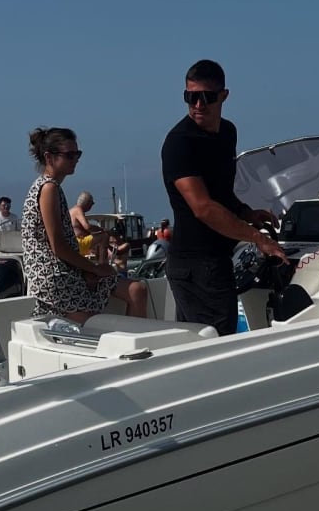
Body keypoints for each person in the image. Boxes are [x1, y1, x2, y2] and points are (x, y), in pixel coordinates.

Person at [161, 59, 287, 335]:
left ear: (223, 96)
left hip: (217, 259)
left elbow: (221, 192)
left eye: (206, 97)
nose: (198, 104)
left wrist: (246, 214)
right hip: (194, 264)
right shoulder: (180, 142)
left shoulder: (227, 133)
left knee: (203, 345)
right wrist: (258, 238)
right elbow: (203, 207)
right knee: (216, 345)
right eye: (190, 97)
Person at [22, 127, 147, 325]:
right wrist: (95, 269)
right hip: (55, 279)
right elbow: (58, 246)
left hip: (67, 271)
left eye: (77, 154)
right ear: (49, 157)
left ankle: (139, 346)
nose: (75, 159)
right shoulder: (48, 189)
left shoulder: (51, 187)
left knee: (137, 290)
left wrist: (91, 269)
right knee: (96, 326)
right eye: (69, 155)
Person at [69, 191, 109, 262]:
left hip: (72, 242)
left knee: (95, 238)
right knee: (104, 236)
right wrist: (101, 229)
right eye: (92, 204)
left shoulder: (71, 210)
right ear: (87, 203)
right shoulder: (78, 210)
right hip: (78, 243)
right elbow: (87, 227)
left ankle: (96, 260)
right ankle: (102, 263)